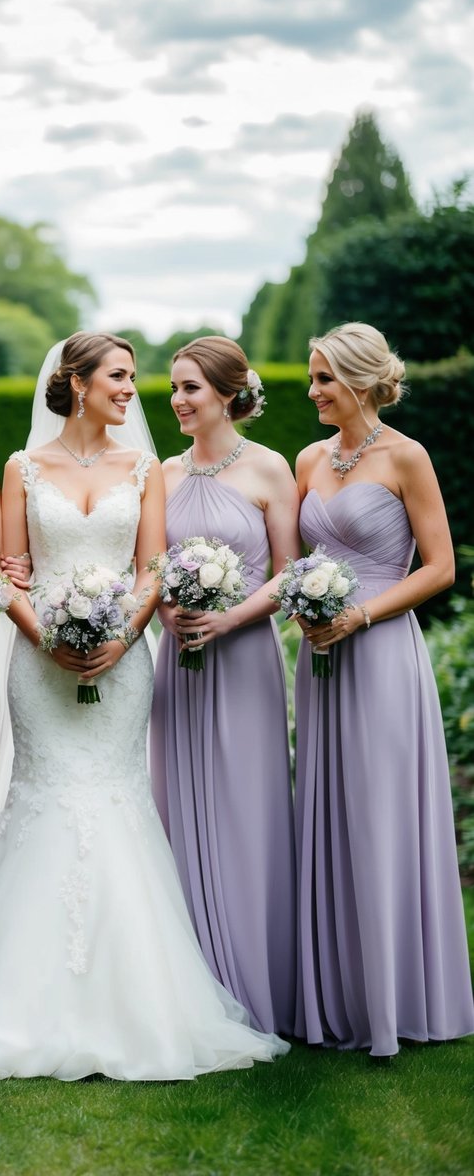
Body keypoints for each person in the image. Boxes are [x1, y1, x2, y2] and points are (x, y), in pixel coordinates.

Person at [0, 332, 289, 1080]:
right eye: (118, 376)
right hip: (37, 663)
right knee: (42, 797)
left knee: (115, 800)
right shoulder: (20, 468)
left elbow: (151, 569)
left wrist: (121, 638)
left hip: (122, 662)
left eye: (132, 378)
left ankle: (141, 1004)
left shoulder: (145, 469)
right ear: (75, 383)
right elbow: (7, 570)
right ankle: (16, 1009)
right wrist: (45, 636)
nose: (131, 390)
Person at [294, 321, 474, 1056]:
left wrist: (359, 614)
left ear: (364, 382)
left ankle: (396, 998)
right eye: (310, 379)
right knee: (328, 809)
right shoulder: (307, 458)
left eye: (323, 380)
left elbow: (438, 569)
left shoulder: (407, 457)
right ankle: (336, 995)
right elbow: (287, 557)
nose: (310, 392)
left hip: (379, 650)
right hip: (318, 655)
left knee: (381, 810)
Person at [150, 336, 299, 1036]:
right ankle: (188, 990)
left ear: (228, 393)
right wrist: (170, 609)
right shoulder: (161, 476)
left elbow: (287, 571)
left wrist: (229, 616)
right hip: (176, 660)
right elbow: (145, 568)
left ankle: (261, 984)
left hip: (243, 661)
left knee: (249, 809)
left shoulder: (269, 469)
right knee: (175, 809)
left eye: (190, 389)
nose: (177, 401)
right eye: (174, 390)